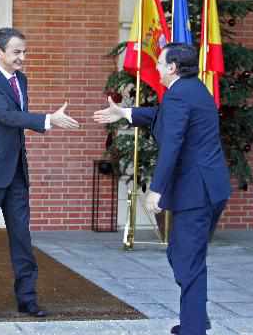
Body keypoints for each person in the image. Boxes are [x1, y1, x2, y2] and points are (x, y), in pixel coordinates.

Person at [93, 43, 231, 335]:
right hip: (211, 188)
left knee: (185, 258)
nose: (155, 67)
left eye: (160, 63)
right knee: (188, 256)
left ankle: (193, 328)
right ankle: (196, 316)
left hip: (197, 191)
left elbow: (173, 143)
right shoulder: (192, 90)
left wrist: (157, 189)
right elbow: (161, 115)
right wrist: (125, 113)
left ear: (172, 68)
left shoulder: (180, 95)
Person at [0, 27, 79, 323]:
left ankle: (27, 299)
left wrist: (43, 121)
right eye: (16, 52)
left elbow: (16, 120)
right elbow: (7, 116)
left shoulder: (21, 80)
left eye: (24, 52)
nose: (22, 58)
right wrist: (47, 120)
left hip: (15, 173)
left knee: (22, 240)